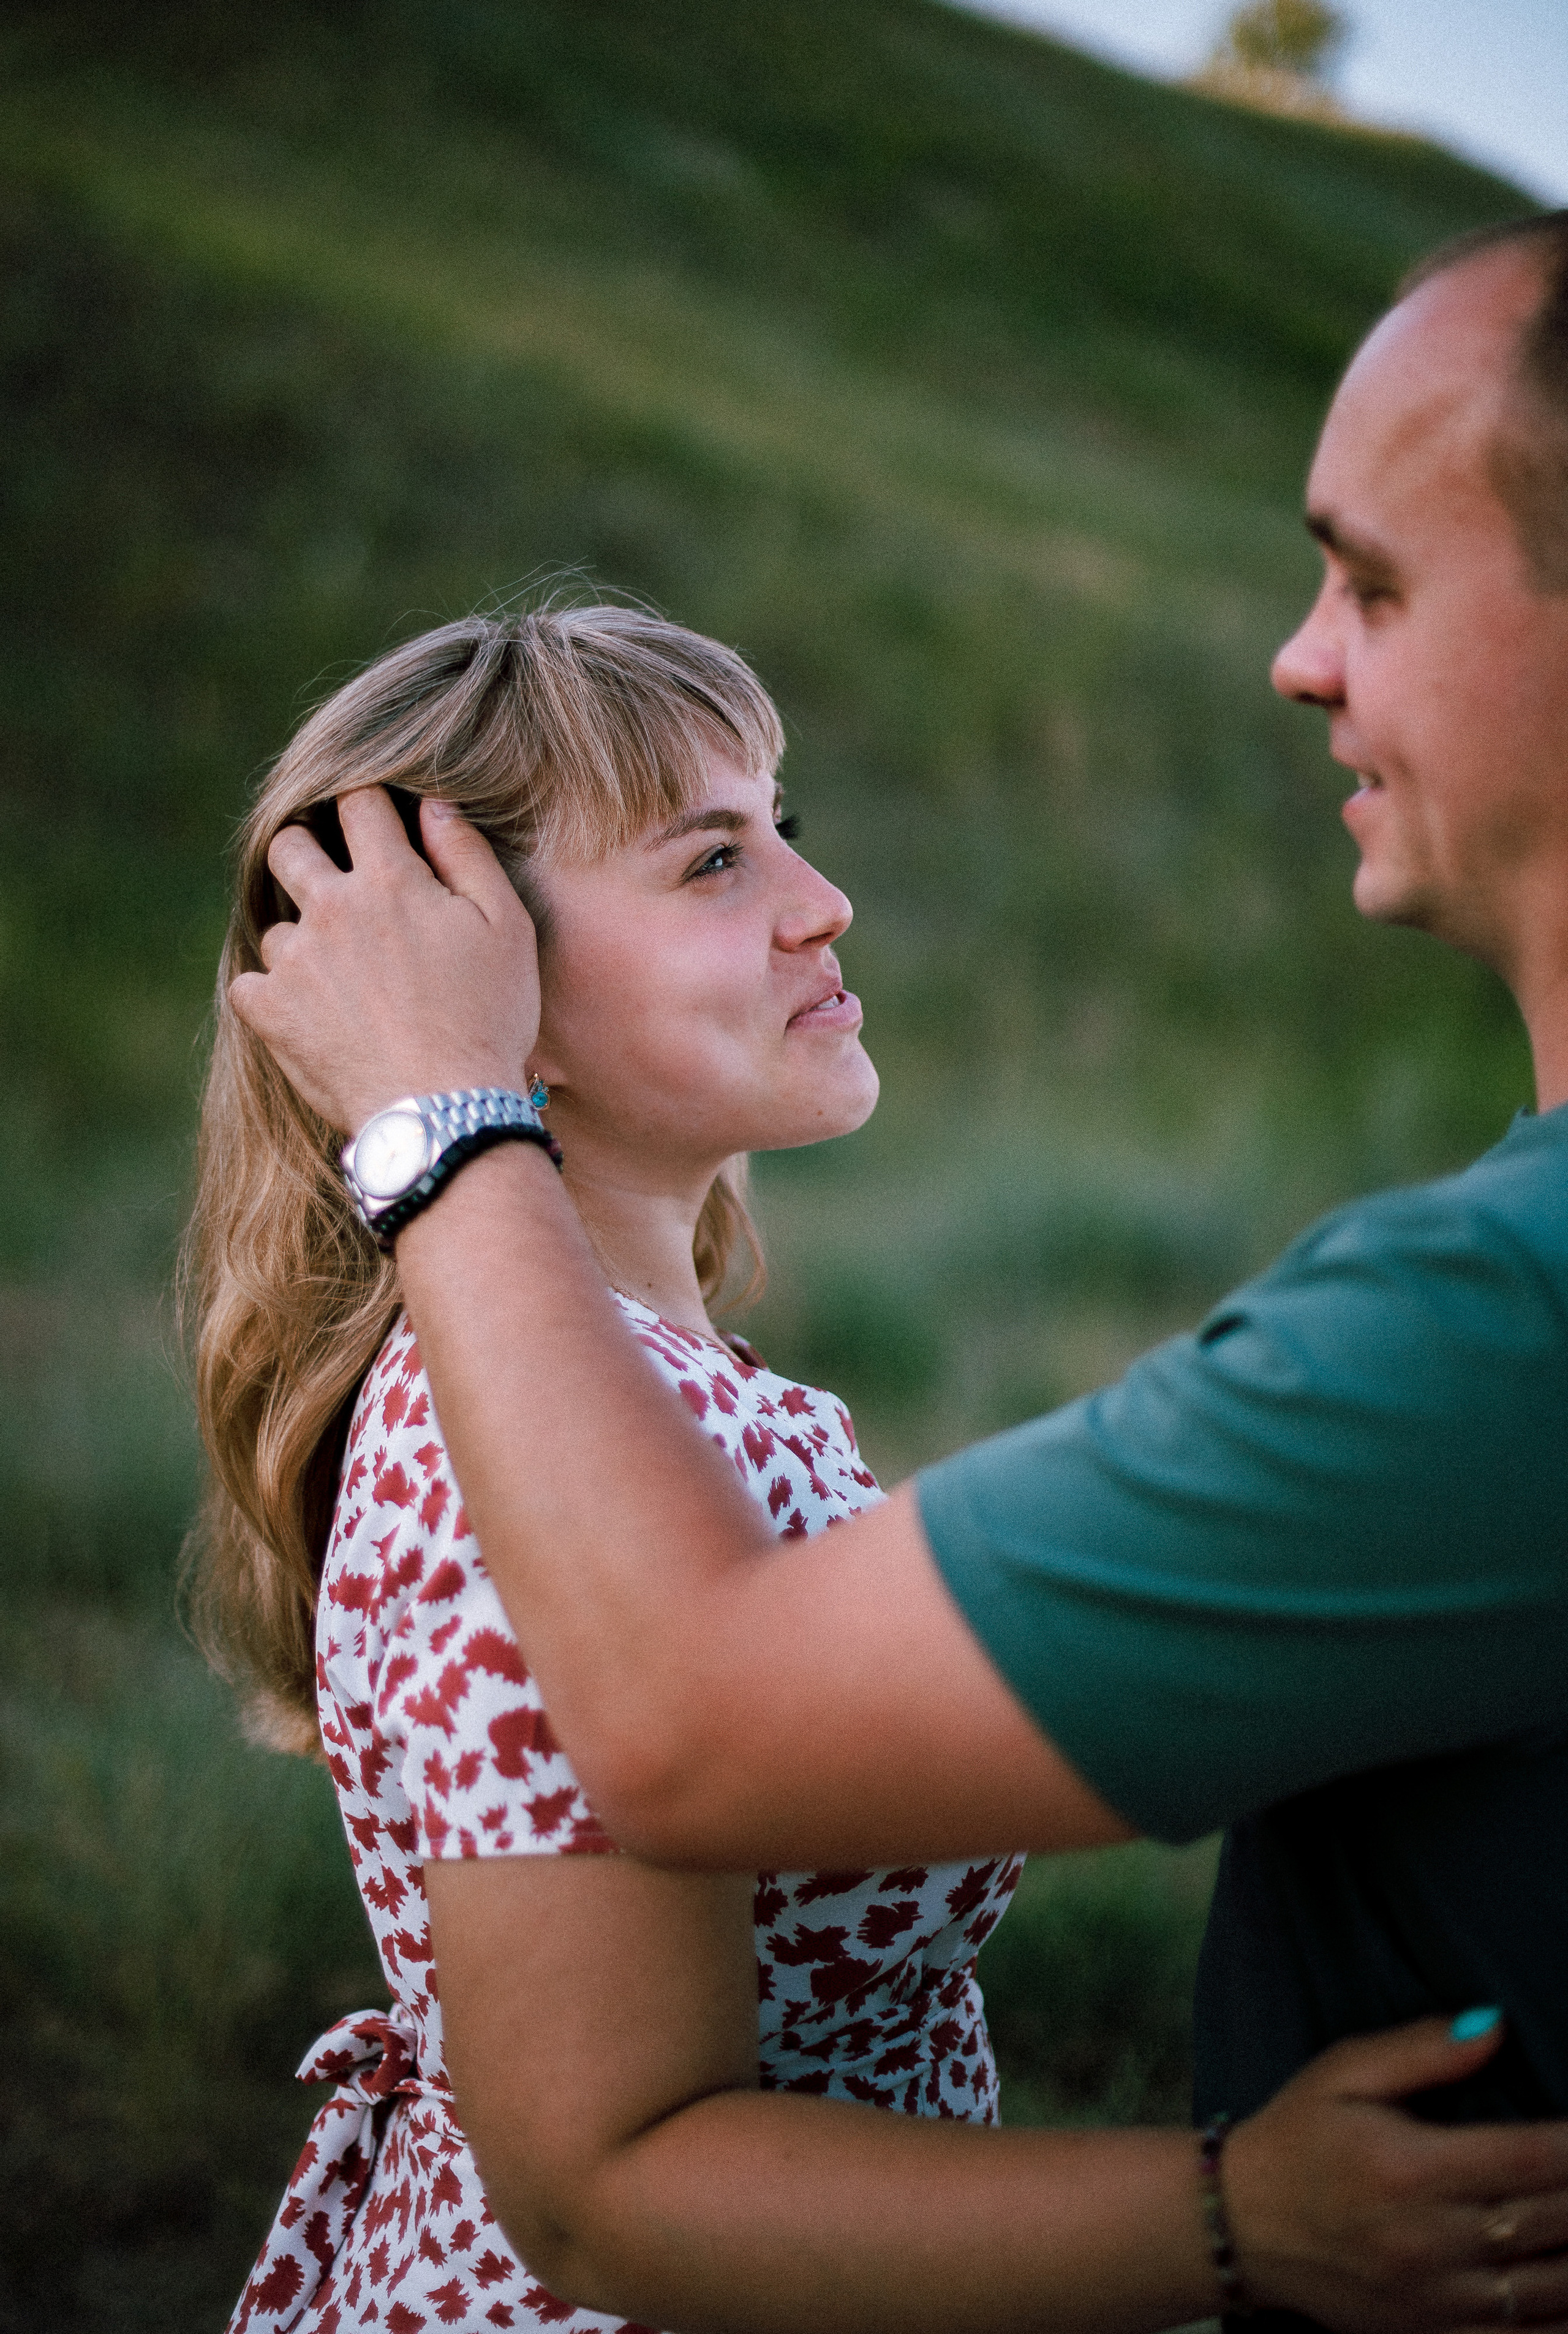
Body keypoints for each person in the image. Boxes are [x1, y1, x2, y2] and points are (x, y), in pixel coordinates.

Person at [231, 214, 1568, 2325]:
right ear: (478, 988)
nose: (825, 898)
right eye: (714, 856)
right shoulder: (513, 1445)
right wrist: (1238, 2212)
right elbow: (605, 2174)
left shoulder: (639, 1392)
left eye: (782, 823)